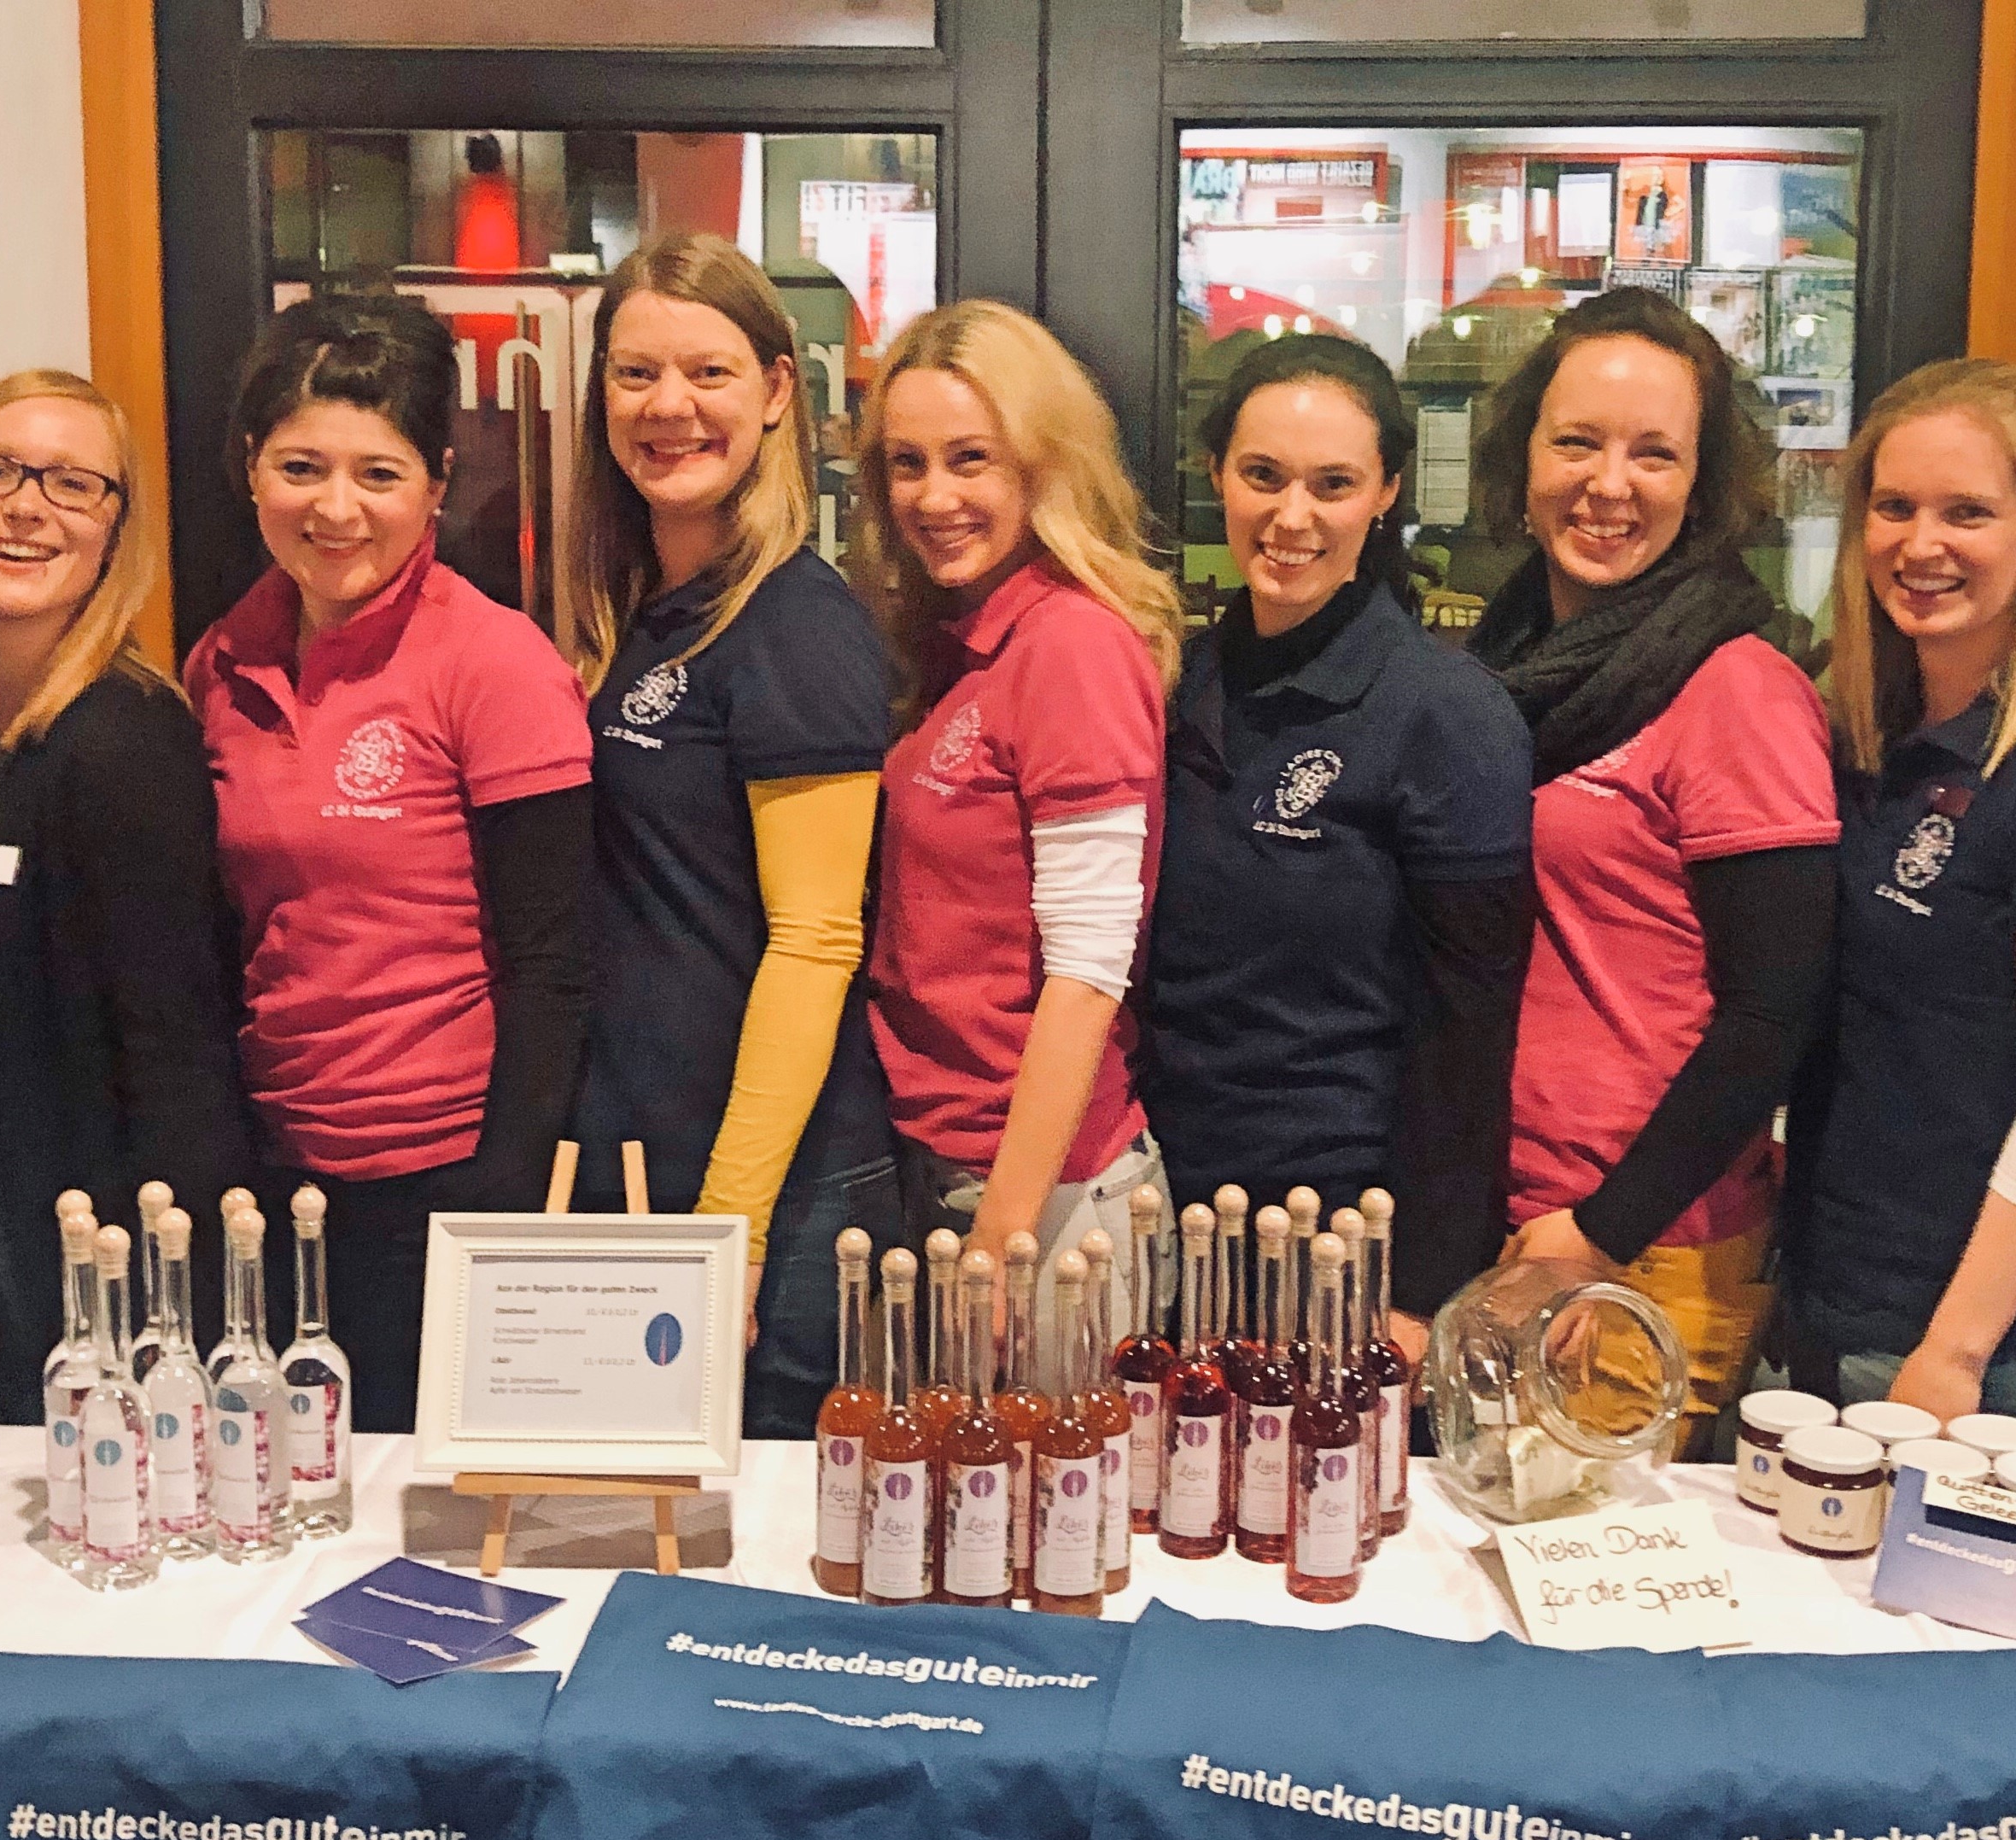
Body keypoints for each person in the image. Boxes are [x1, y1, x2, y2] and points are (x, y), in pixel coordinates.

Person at [190, 292, 593, 1436]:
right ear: (250, 469)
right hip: (279, 1179)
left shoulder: (493, 661)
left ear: (437, 482)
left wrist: (499, 1210)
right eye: (300, 467)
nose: (336, 508)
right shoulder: (220, 662)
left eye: (378, 473)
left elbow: (556, 962)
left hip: (448, 1180)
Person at [1475, 286, 1839, 1454]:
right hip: (1514, 1215)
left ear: (1702, 482)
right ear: (1521, 458)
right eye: (1575, 442)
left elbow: (1771, 1013)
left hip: (1640, 1245)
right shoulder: (1503, 659)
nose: (1608, 484)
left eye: (1653, 453)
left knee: (1581, 1557)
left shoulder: (1737, 687)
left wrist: (1599, 1232)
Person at [560, 235, 901, 1437]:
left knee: (762, 1536)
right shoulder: (640, 613)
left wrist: (732, 1232)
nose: (669, 407)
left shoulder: (796, 624)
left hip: (777, 1198)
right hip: (650, 1167)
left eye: (707, 372)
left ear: (773, 391)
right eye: (635, 373)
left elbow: (816, 943)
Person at [1783, 359, 2016, 1445]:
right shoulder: (1866, 741)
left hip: (1966, 1352)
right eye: (1893, 507)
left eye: (1968, 513)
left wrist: (1952, 1356)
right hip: (1829, 1295)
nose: (1920, 544)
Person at [1143, 334, 1531, 1349]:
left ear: (1386, 492)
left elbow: (1470, 1029)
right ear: (1215, 473)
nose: (1292, 516)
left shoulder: (1446, 712)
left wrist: (1422, 1295)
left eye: (1333, 484)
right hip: (1160, 1206)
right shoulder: (1175, 680)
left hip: (1338, 1236)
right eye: (1262, 476)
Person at [0, 368, 263, 1407]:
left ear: (117, 531)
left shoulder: (125, 741)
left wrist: (172, 1337)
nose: (25, 508)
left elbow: (175, 1054)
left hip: (100, 1286)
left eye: (73, 484)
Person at [852, 301, 1179, 1273]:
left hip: (1045, 1198)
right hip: (949, 1162)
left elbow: (1087, 972)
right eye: (906, 463)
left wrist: (1002, 1235)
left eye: (971, 459)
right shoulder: (963, 640)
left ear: (1043, 462)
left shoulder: (1071, 644)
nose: (933, 496)